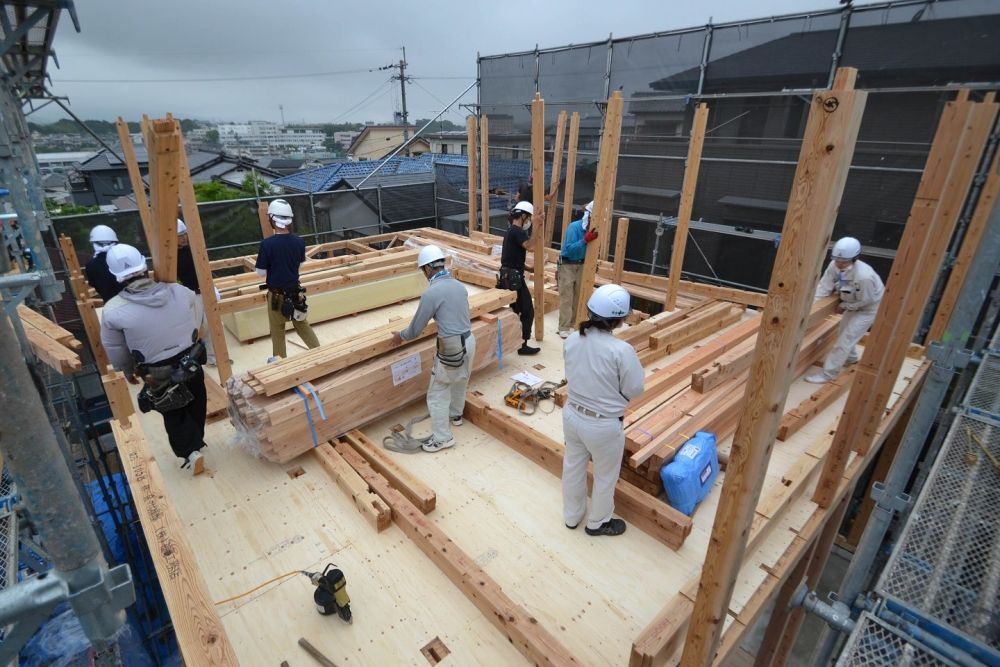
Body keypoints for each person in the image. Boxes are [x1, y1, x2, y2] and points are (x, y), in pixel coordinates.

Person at [100, 244, 209, 475]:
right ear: (144, 265)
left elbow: (116, 348)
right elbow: (195, 308)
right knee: (197, 399)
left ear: (116, 275)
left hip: (157, 370)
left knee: (172, 410)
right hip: (191, 359)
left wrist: (126, 370)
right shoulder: (177, 291)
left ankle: (190, 451)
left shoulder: (112, 311)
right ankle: (197, 440)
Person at [562, 284, 644, 536]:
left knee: (573, 466)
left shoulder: (573, 338)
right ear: (619, 319)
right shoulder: (621, 350)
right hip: (603, 425)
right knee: (605, 475)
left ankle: (572, 516)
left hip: (572, 415)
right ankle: (598, 523)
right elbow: (635, 389)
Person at [391, 245, 475, 453]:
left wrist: (400, 336)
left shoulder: (431, 293)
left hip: (451, 347)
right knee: (460, 380)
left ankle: (442, 438)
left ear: (428, 268)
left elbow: (415, 330)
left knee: (437, 393)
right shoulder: (459, 285)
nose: (424, 274)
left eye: (423, 270)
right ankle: (456, 415)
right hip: (470, 340)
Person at [806, 236, 884, 384]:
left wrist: (845, 306)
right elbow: (824, 287)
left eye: (844, 261)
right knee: (844, 332)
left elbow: (866, 300)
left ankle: (828, 374)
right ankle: (851, 359)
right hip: (852, 300)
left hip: (867, 308)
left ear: (854, 258)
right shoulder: (834, 265)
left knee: (844, 341)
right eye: (837, 260)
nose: (840, 264)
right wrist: (812, 307)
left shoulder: (863, 276)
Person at [255, 199, 320, 360]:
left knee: (277, 330)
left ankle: (281, 364)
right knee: (302, 325)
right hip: (295, 293)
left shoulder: (267, 245)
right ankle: (320, 353)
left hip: (276, 296)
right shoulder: (299, 242)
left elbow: (261, 273)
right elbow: (300, 265)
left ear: (272, 219)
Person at [499, 201, 540, 355]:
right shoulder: (516, 231)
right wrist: (537, 227)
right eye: (529, 218)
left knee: (515, 311)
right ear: (523, 216)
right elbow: (530, 246)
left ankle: (513, 341)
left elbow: (510, 257)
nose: (529, 221)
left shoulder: (511, 231)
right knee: (528, 310)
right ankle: (522, 345)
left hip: (508, 275)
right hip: (513, 277)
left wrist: (529, 268)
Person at [175, 219, 216, 366]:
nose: (184, 237)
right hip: (191, 295)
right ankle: (190, 361)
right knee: (194, 330)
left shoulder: (194, 250)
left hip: (204, 291)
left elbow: (204, 270)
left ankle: (213, 358)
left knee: (212, 325)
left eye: (184, 234)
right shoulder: (173, 257)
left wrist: (212, 287)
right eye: (180, 235)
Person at [557, 201, 599, 338]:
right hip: (567, 264)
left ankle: (573, 324)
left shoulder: (593, 231)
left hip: (582, 265)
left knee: (578, 297)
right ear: (588, 215)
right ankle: (563, 327)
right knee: (567, 296)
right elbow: (569, 250)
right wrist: (584, 240)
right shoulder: (574, 227)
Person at [84, 224, 123, 302]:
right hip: (134, 300)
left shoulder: (90, 266)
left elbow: (93, 284)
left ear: (94, 244)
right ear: (114, 242)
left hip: (111, 305)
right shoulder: (124, 257)